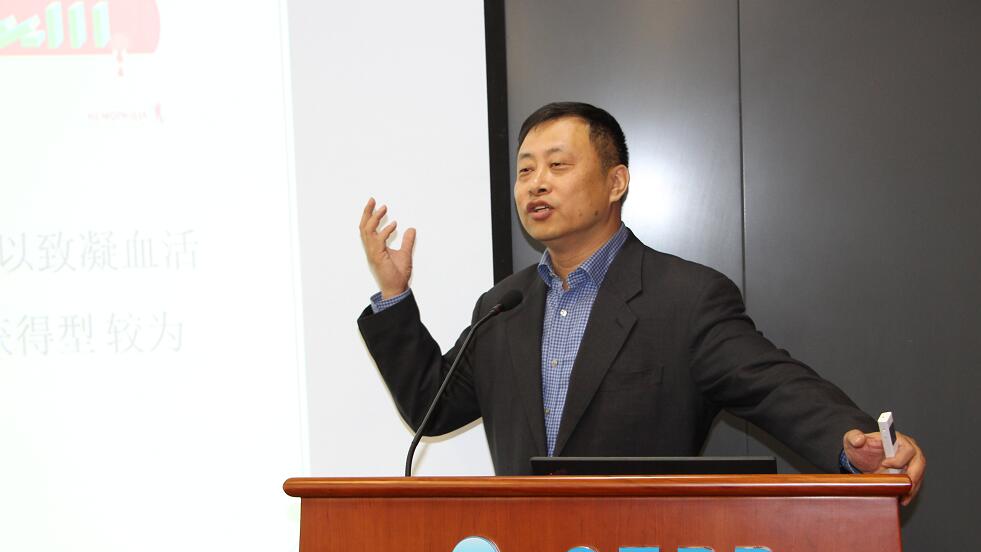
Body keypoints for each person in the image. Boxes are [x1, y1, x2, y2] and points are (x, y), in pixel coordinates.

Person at [357, 102, 926, 503]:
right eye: (525, 170)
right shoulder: (503, 306)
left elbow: (775, 387)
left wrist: (857, 443)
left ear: (616, 182)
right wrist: (394, 296)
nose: (536, 183)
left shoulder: (684, 298)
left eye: (557, 165)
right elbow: (431, 405)